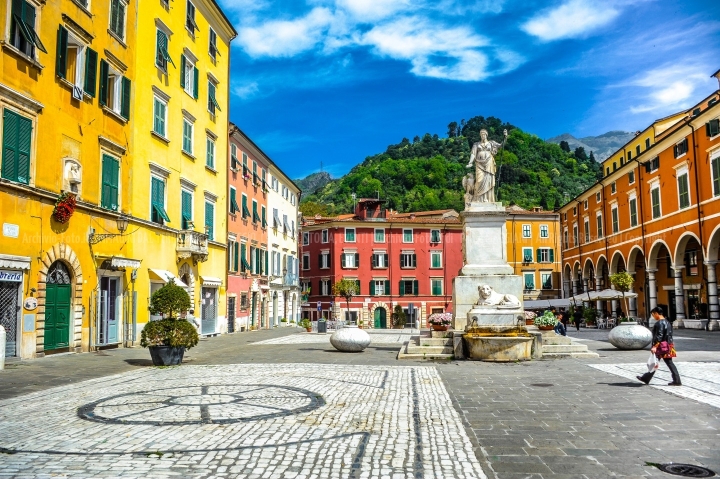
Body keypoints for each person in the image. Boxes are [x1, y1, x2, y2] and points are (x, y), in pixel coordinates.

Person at [636, 306, 682, 386]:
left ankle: (646, 378)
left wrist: (655, 346)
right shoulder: (668, 322)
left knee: (655, 362)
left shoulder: (659, 323)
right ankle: (676, 380)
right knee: (668, 363)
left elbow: (659, 335)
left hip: (661, 346)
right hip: (668, 345)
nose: (653, 317)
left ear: (656, 313)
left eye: (653, 315)